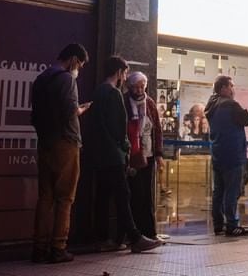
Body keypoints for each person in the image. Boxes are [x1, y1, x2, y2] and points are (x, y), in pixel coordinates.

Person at [88, 55, 161, 253]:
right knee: (123, 196)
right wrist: (126, 149)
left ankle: (103, 237)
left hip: (100, 154)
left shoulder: (98, 92)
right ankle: (135, 237)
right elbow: (119, 128)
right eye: (125, 73)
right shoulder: (113, 94)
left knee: (103, 196)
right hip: (114, 155)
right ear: (120, 73)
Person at [29, 43, 89, 264]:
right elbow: (69, 111)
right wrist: (81, 109)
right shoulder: (66, 79)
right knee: (65, 197)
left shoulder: (42, 78)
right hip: (66, 142)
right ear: (73, 59)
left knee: (45, 197)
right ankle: (58, 246)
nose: (79, 70)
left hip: (45, 141)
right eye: (80, 65)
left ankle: (39, 247)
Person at [205, 75, 248, 236]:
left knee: (218, 191)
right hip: (232, 153)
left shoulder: (210, 106)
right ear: (223, 88)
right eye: (231, 86)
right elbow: (246, 119)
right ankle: (232, 224)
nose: (233, 89)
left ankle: (218, 224)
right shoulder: (230, 105)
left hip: (217, 153)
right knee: (232, 190)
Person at [124, 71, 164, 240]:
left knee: (146, 194)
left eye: (142, 86)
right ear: (130, 87)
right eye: (136, 87)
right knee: (133, 193)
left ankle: (149, 232)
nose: (139, 90)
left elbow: (157, 129)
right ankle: (134, 233)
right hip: (131, 153)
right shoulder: (125, 101)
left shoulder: (150, 103)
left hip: (147, 153)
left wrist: (158, 154)